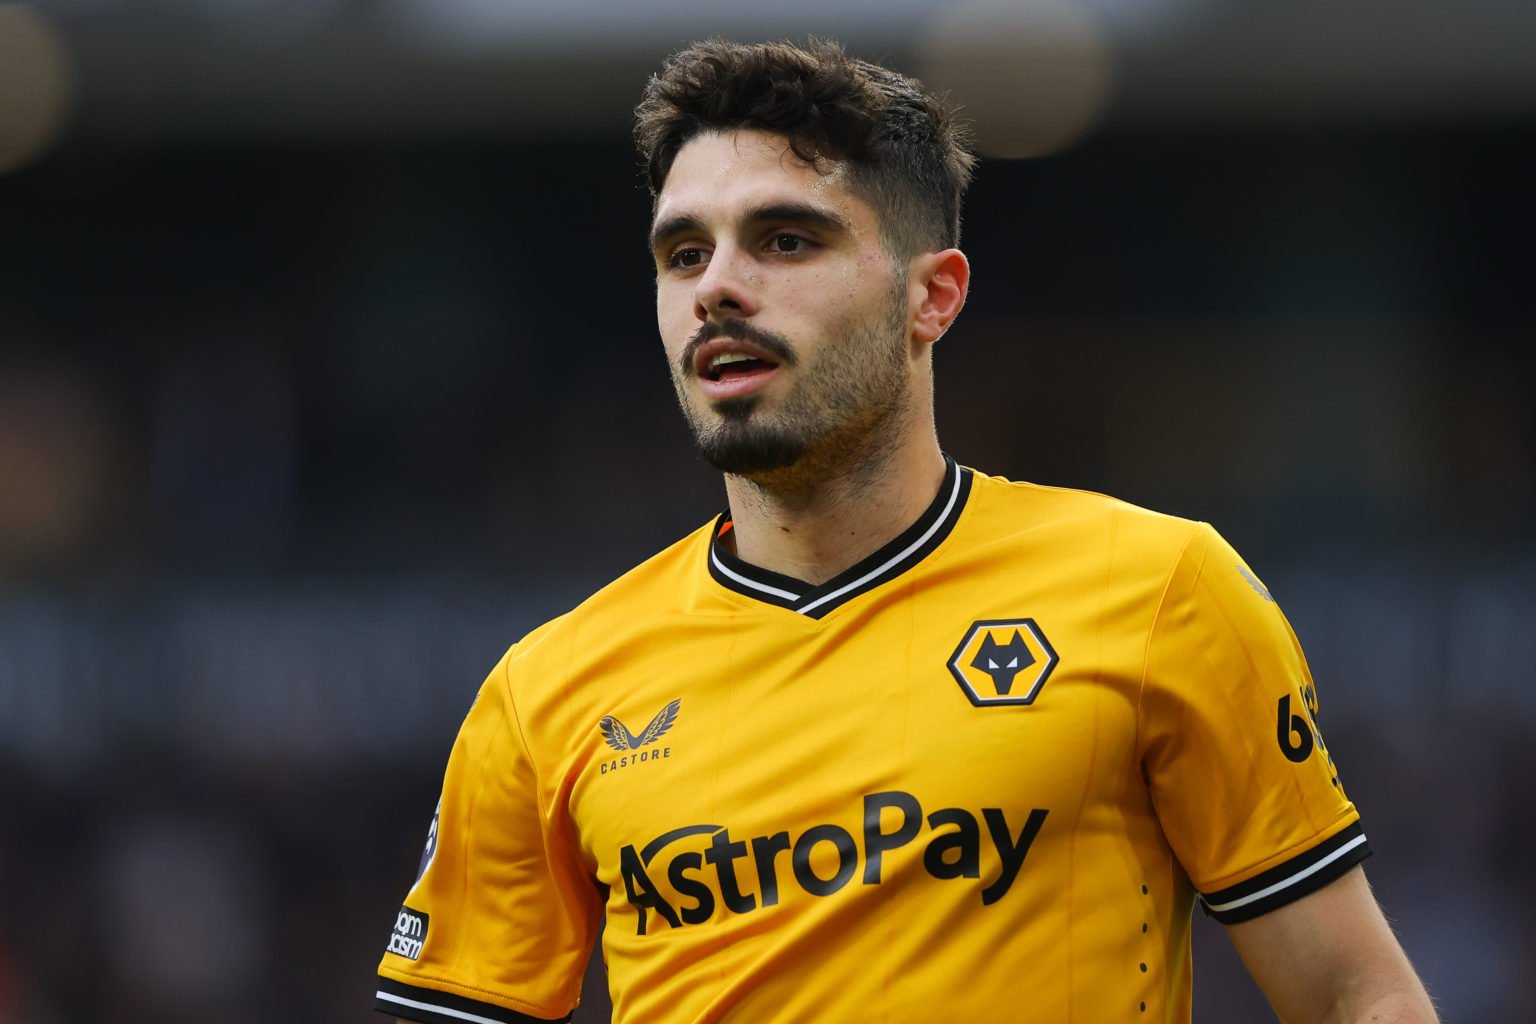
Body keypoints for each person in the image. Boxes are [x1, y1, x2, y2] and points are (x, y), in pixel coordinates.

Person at [375, 37, 1437, 1024]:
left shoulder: (1156, 589)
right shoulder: (545, 693)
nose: (719, 289)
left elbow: (1357, 997)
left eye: (786, 239)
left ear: (933, 298)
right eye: (683, 253)